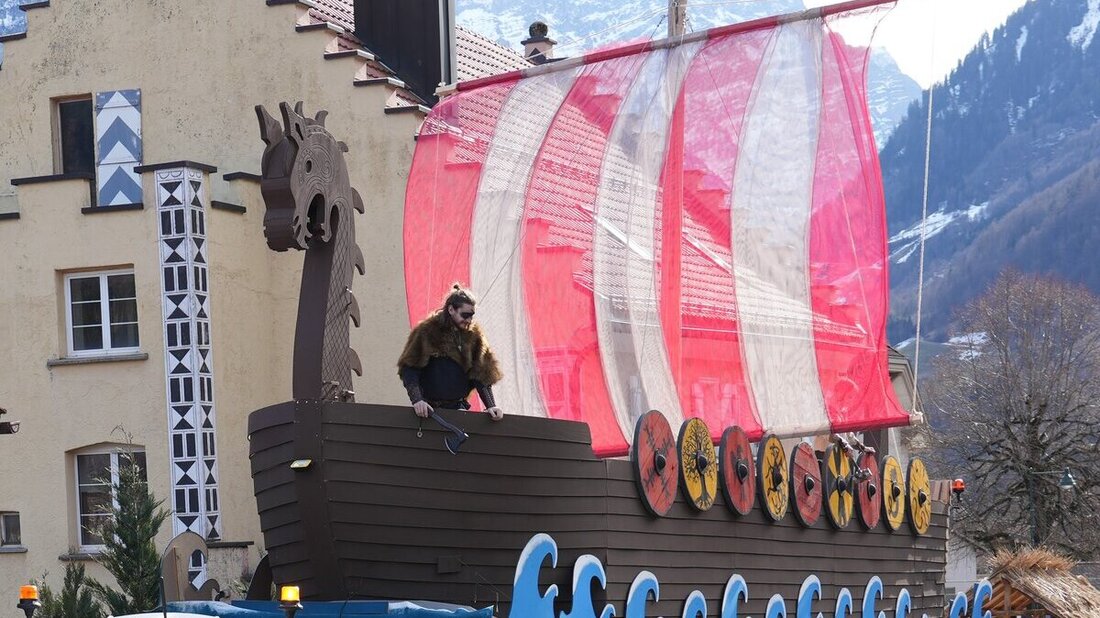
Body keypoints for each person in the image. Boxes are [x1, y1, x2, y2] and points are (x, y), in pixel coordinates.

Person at [397, 284, 504, 421]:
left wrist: (491, 406)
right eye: (465, 315)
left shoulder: (474, 336)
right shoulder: (427, 331)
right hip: (429, 412)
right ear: (451, 309)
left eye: (471, 316)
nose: (469, 320)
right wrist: (417, 400)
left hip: (459, 410)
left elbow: (481, 374)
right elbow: (409, 369)